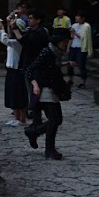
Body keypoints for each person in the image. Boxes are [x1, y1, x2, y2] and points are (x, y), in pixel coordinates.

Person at [24, 29, 72, 159]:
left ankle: (34, 132)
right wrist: (35, 85)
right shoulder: (47, 52)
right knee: (54, 119)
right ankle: (49, 149)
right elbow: (30, 69)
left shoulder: (56, 53)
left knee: (57, 119)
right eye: (64, 42)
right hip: (44, 89)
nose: (65, 44)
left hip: (53, 87)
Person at [18, 8, 49, 128]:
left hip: (36, 65)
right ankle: (36, 116)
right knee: (31, 91)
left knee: (34, 91)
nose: (29, 21)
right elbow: (22, 39)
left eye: (31, 18)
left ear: (38, 20)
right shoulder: (30, 31)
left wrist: (16, 29)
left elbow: (25, 43)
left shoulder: (40, 33)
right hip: (29, 65)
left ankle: (37, 117)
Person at [0, 12, 28, 125]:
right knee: (12, 95)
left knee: (19, 96)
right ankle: (16, 118)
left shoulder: (19, 41)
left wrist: (3, 29)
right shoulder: (13, 40)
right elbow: (2, 39)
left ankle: (22, 119)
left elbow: (5, 40)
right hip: (11, 70)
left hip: (18, 70)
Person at [68, 11, 93, 87]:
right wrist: (68, 46)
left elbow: (83, 37)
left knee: (81, 65)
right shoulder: (74, 25)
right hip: (73, 46)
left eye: (78, 17)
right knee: (70, 64)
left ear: (82, 18)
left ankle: (83, 82)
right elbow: (71, 37)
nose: (76, 18)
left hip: (81, 48)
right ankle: (70, 79)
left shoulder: (86, 26)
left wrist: (74, 32)